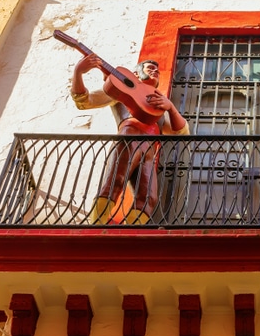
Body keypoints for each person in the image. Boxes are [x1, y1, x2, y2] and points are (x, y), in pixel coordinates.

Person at [70, 54, 189, 225]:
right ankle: (97, 223)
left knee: (149, 197)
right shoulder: (121, 91)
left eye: (157, 70)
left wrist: (170, 108)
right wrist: (78, 73)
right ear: (136, 74)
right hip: (130, 136)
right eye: (150, 68)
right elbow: (85, 101)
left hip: (150, 148)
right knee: (115, 181)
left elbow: (181, 132)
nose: (155, 71)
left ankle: (133, 230)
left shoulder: (158, 103)